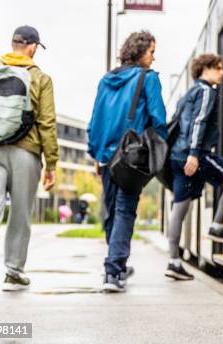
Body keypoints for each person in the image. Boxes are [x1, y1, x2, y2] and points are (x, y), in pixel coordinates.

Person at [0, 26, 58, 298]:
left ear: (12, 43)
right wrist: (51, 164)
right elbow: (47, 123)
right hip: (25, 153)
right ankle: (14, 273)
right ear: (32, 47)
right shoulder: (40, 78)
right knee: (20, 212)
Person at [87, 30, 167, 293]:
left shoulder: (106, 79)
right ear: (140, 51)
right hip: (130, 156)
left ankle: (117, 265)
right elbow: (158, 119)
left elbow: (95, 119)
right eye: (151, 52)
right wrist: (159, 150)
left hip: (105, 156)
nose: (154, 58)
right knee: (124, 210)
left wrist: (95, 153)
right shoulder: (148, 78)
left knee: (111, 211)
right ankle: (113, 270)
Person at [166, 54, 223, 281]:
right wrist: (194, 154)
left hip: (176, 156)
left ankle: (173, 261)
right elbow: (199, 122)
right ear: (205, 70)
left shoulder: (188, 93)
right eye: (218, 68)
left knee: (179, 208)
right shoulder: (205, 91)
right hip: (194, 156)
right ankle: (217, 227)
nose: (222, 72)